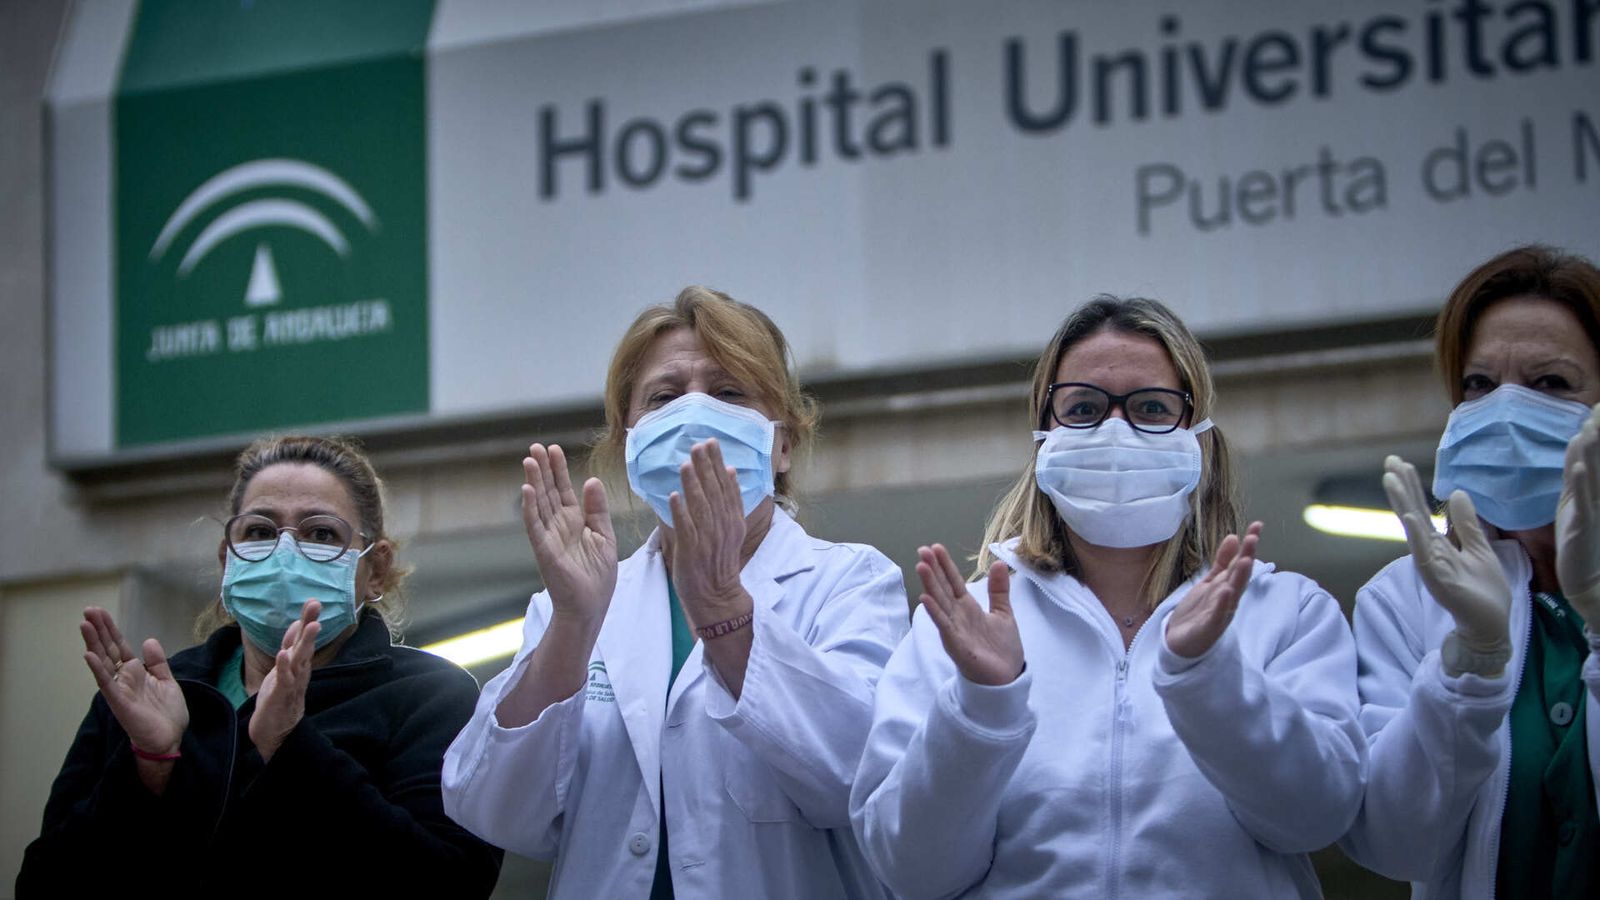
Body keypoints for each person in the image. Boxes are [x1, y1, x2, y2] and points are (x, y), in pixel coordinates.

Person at [850, 295, 1365, 898]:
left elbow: (1316, 819)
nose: (1115, 430)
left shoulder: (1285, 613)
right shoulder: (965, 631)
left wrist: (1208, 678)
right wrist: (984, 705)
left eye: (1151, 407)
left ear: (1198, 435)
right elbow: (910, 871)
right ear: (1044, 436)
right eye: (1084, 409)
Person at [441, 286, 909, 898]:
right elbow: (492, 811)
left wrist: (723, 609)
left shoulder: (851, 583)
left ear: (783, 444)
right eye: (664, 397)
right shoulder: (573, 606)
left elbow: (863, 782)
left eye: (729, 392)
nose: (694, 413)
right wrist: (574, 626)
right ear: (629, 443)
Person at [17, 435, 502, 897]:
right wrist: (150, 766)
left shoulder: (431, 696)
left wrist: (291, 747)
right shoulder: (145, 698)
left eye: (321, 533)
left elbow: (449, 883)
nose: (284, 553)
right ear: (228, 560)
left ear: (374, 568)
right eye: (260, 531)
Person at [1340, 245, 1600, 898]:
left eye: (1551, 383)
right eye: (1479, 385)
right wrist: (1470, 668)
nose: (1506, 412)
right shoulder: (1409, 599)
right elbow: (1394, 845)